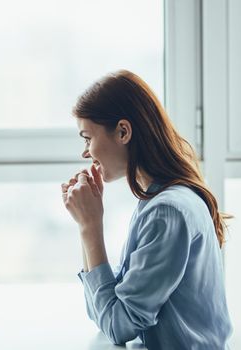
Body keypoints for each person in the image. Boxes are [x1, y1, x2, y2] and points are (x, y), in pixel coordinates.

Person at [61, 70, 232, 349]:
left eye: (87, 138)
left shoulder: (167, 212)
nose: (85, 152)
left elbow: (119, 326)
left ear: (123, 131)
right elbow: (102, 312)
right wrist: (86, 222)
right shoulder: (156, 202)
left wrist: (90, 227)